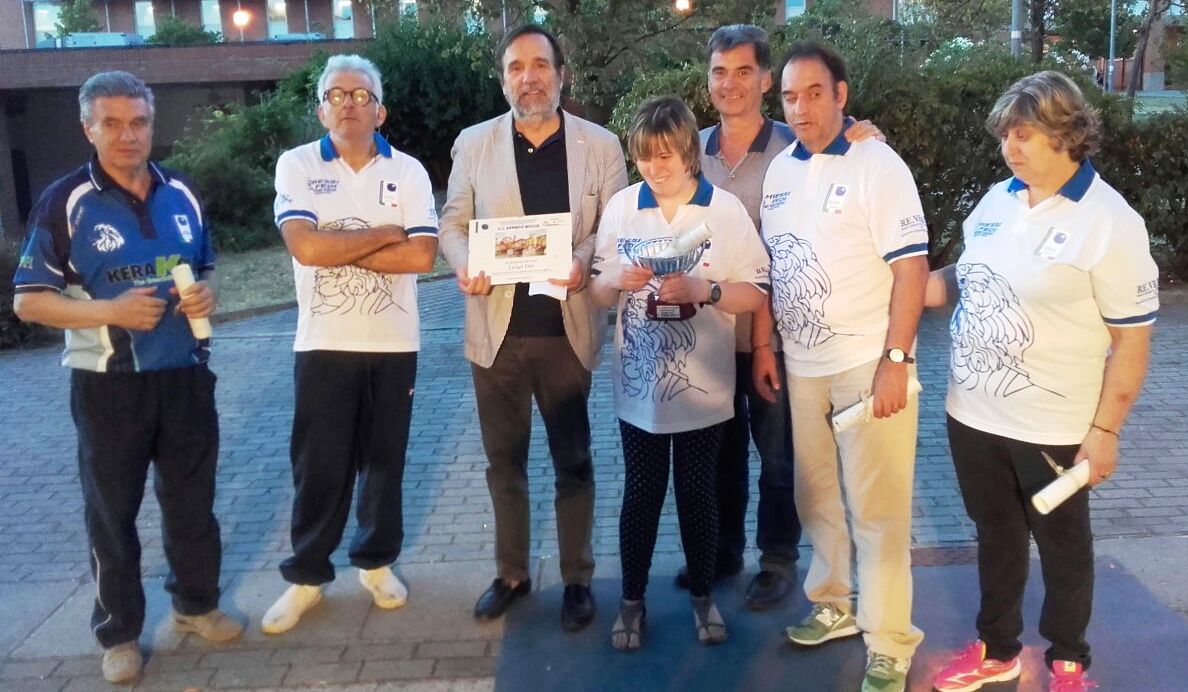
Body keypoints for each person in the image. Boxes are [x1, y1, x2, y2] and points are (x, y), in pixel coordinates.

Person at [928, 71, 1157, 692]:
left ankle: (1069, 660)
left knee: (1063, 546)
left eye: (1023, 134)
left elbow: (1133, 342)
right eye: (1006, 134)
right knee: (996, 535)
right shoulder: (997, 200)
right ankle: (997, 650)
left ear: (1065, 134)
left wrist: (1105, 431)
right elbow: (964, 276)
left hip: (1053, 426)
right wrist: (907, 291)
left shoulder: (1110, 221)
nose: (1010, 147)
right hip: (972, 414)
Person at [12, 70, 243, 683]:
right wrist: (111, 312)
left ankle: (196, 605)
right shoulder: (65, 201)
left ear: (151, 123)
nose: (127, 135)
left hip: (186, 376)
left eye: (138, 121)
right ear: (87, 128)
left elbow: (208, 267)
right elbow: (29, 302)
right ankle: (118, 634)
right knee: (111, 514)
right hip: (108, 385)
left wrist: (208, 294)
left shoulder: (181, 191)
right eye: (111, 123)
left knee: (192, 504)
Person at [438, 24, 628, 631]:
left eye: (540, 65)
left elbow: (615, 227)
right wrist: (463, 263)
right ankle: (512, 573)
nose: (530, 77)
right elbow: (452, 224)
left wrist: (583, 260)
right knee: (504, 464)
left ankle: (577, 578)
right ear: (503, 81)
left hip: (566, 332)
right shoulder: (474, 144)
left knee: (574, 462)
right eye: (516, 67)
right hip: (496, 335)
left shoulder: (601, 146)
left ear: (561, 74)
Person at [687, 23, 881, 609]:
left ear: (766, 80)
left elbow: (847, 154)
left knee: (778, 457)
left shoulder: (794, 144)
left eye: (744, 71)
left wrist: (862, 133)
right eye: (720, 72)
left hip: (777, 339)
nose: (730, 84)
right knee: (718, 456)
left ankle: (777, 561)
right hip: (708, 337)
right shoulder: (692, 149)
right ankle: (723, 552)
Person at [759, 42, 929, 692]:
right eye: (790, 96)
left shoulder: (877, 164)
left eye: (814, 93)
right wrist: (770, 347)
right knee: (817, 497)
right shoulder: (779, 172)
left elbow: (911, 268)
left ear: (841, 95)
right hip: (804, 368)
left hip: (867, 363)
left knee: (879, 512)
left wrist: (896, 360)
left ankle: (890, 642)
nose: (801, 107)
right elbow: (776, 269)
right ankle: (834, 603)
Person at [263, 54, 438, 634]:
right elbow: (305, 248)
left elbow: (422, 255)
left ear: (380, 111)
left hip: (394, 345)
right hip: (323, 343)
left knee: (385, 462)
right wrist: (384, 233)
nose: (348, 104)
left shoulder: (408, 171)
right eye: (336, 95)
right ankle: (307, 575)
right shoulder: (297, 164)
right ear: (321, 110)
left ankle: (376, 562)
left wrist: (338, 243)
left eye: (361, 95)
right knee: (320, 465)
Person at [590, 96, 770, 651]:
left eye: (666, 154)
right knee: (641, 493)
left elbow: (756, 291)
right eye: (645, 156)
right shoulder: (623, 207)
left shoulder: (724, 211)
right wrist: (614, 280)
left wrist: (705, 290)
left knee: (698, 493)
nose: (655, 167)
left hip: (706, 389)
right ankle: (632, 600)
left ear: (690, 150)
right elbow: (597, 292)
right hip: (639, 392)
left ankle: (703, 596)